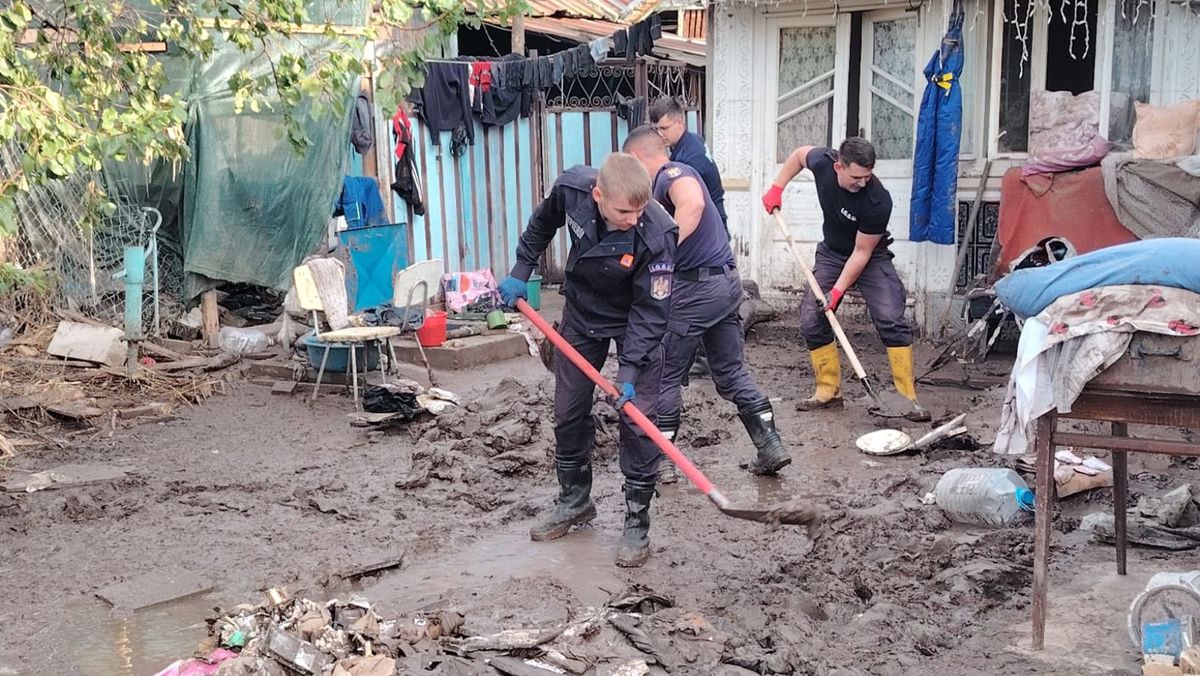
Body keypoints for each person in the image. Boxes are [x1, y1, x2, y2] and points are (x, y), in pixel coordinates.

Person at [497, 153, 678, 568]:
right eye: (623, 211)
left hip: (636, 318)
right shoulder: (572, 189)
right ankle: (575, 500)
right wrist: (521, 269)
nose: (634, 218)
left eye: (639, 210)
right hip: (582, 312)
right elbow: (542, 224)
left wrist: (629, 371)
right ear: (597, 195)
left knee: (637, 419)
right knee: (568, 411)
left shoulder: (658, 234)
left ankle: (636, 522)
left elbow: (653, 312)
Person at [623, 125, 791, 477]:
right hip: (726, 286)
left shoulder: (673, 173)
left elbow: (694, 203)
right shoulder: (667, 183)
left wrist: (664, 251)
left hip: (694, 291)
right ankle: (770, 445)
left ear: (636, 158)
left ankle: (662, 461)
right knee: (730, 373)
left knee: (664, 376)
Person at [762, 137, 930, 422]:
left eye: (868, 176)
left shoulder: (878, 200)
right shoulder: (823, 162)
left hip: (870, 257)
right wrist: (778, 187)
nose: (862, 183)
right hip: (832, 253)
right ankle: (828, 392)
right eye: (856, 177)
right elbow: (800, 154)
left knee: (891, 317)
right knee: (812, 319)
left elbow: (862, 253)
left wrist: (837, 292)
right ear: (838, 166)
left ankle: (906, 398)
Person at [648, 97, 726, 381]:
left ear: (680, 122)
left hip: (705, 226)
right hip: (708, 224)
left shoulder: (688, 159)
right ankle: (705, 356)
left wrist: (665, 245)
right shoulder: (687, 144)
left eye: (664, 128)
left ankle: (698, 357)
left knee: (694, 289)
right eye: (656, 129)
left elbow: (692, 205)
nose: (660, 135)